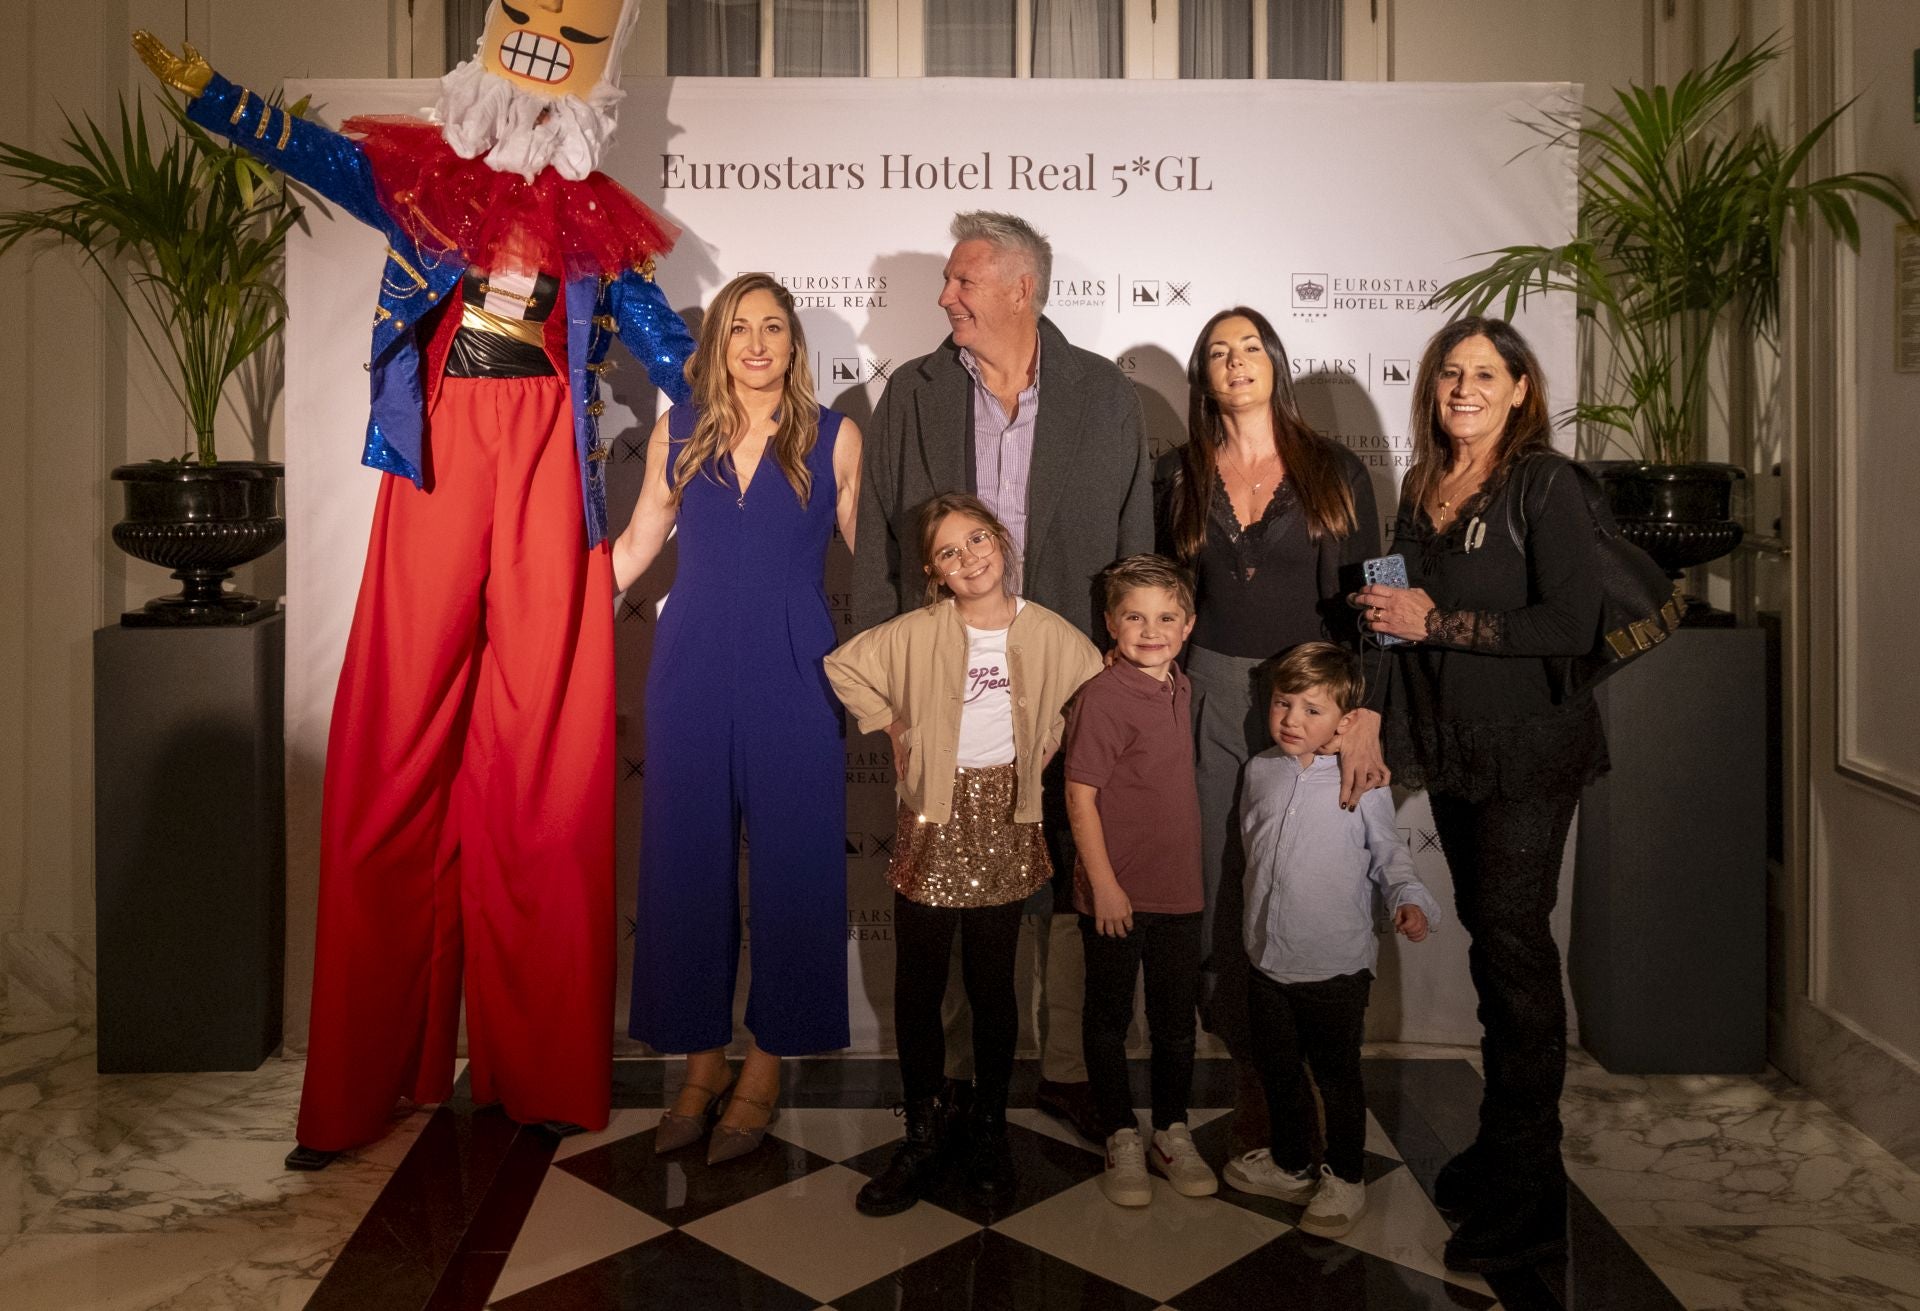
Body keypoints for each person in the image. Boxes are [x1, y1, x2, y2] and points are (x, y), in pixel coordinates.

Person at [136, 1, 699, 1167]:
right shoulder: (432, 182)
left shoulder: (597, 222)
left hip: (551, 464)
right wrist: (214, 98)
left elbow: (671, 348)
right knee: (393, 739)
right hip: (439, 452)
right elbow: (320, 154)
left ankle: (539, 1071)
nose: (545, 40)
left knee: (546, 756)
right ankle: (363, 1081)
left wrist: (753, 411)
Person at [853, 211, 1153, 1141]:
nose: (946, 298)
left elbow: (1135, 546)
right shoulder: (910, 393)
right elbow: (877, 551)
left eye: (962, 282)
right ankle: (942, 1078)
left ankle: (1064, 1068)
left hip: (1067, 687)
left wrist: (1122, 680)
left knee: (1068, 879)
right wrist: (889, 690)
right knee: (943, 882)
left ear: (1021, 288)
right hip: (943, 690)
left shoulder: (1107, 397)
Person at [1355, 316, 1606, 1273]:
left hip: (1531, 750)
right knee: (1496, 957)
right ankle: (1506, 1152)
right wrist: (1381, 650)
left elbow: (1570, 621)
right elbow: (1398, 610)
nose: (1463, 387)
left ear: (1519, 391)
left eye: (1484, 374)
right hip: (1457, 747)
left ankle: (1533, 1192)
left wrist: (1437, 618)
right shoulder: (1425, 482)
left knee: (1515, 955)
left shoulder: (1545, 481)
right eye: (1450, 373)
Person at [617, 273, 863, 1165]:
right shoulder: (678, 430)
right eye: (738, 330)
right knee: (686, 864)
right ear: (716, 344)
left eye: (773, 329)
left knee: (798, 865)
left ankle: (766, 1064)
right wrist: (557, 614)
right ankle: (699, 1062)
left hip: (797, 666)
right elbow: (642, 541)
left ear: (795, 344)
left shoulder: (835, 435)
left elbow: (869, 564)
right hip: (689, 665)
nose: (756, 344)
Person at [826, 494, 1103, 1215]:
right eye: (949, 552)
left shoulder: (1046, 630)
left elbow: (1093, 687)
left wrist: (1056, 735)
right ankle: (922, 1130)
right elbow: (844, 665)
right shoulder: (918, 631)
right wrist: (888, 723)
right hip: (932, 817)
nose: (969, 557)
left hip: (1007, 819)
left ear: (1002, 541)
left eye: (978, 538)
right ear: (933, 571)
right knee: (918, 985)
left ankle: (987, 1126)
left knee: (992, 984)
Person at [1156, 307, 1386, 1140]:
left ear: (1276, 363)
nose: (1236, 360)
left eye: (1251, 345)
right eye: (1219, 351)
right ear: (1204, 376)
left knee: (1310, 885)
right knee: (1222, 882)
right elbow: (1165, 599)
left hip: (1318, 697)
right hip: (1213, 692)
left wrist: (1368, 711)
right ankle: (1254, 1069)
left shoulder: (1336, 470)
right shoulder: (1177, 474)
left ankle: (1320, 1079)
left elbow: (1382, 596)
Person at [1223, 643, 1441, 1238]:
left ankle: (1345, 1175)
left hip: (1335, 966)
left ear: (1346, 720)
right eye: (1282, 703)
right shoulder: (1259, 770)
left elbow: (1388, 856)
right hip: (1266, 957)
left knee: (1337, 1077)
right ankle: (1293, 1163)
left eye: (1311, 709)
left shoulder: (1361, 779)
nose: (1292, 720)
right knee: (1279, 1070)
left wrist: (1410, 899)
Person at [1063, 556, 1215, 1208]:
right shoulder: (1102, 696)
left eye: (1164, 617)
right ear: (1110, 623)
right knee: (1108, 1017)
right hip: (1117, 894)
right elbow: (1079, 794)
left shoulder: (1182, 684)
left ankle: (1172, 1129)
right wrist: (1105, 884)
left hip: (1179, 891)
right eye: (1134, 616)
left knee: (1176, 1022)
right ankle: (1122, 1131)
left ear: (1186, 627)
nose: (1150, 630)